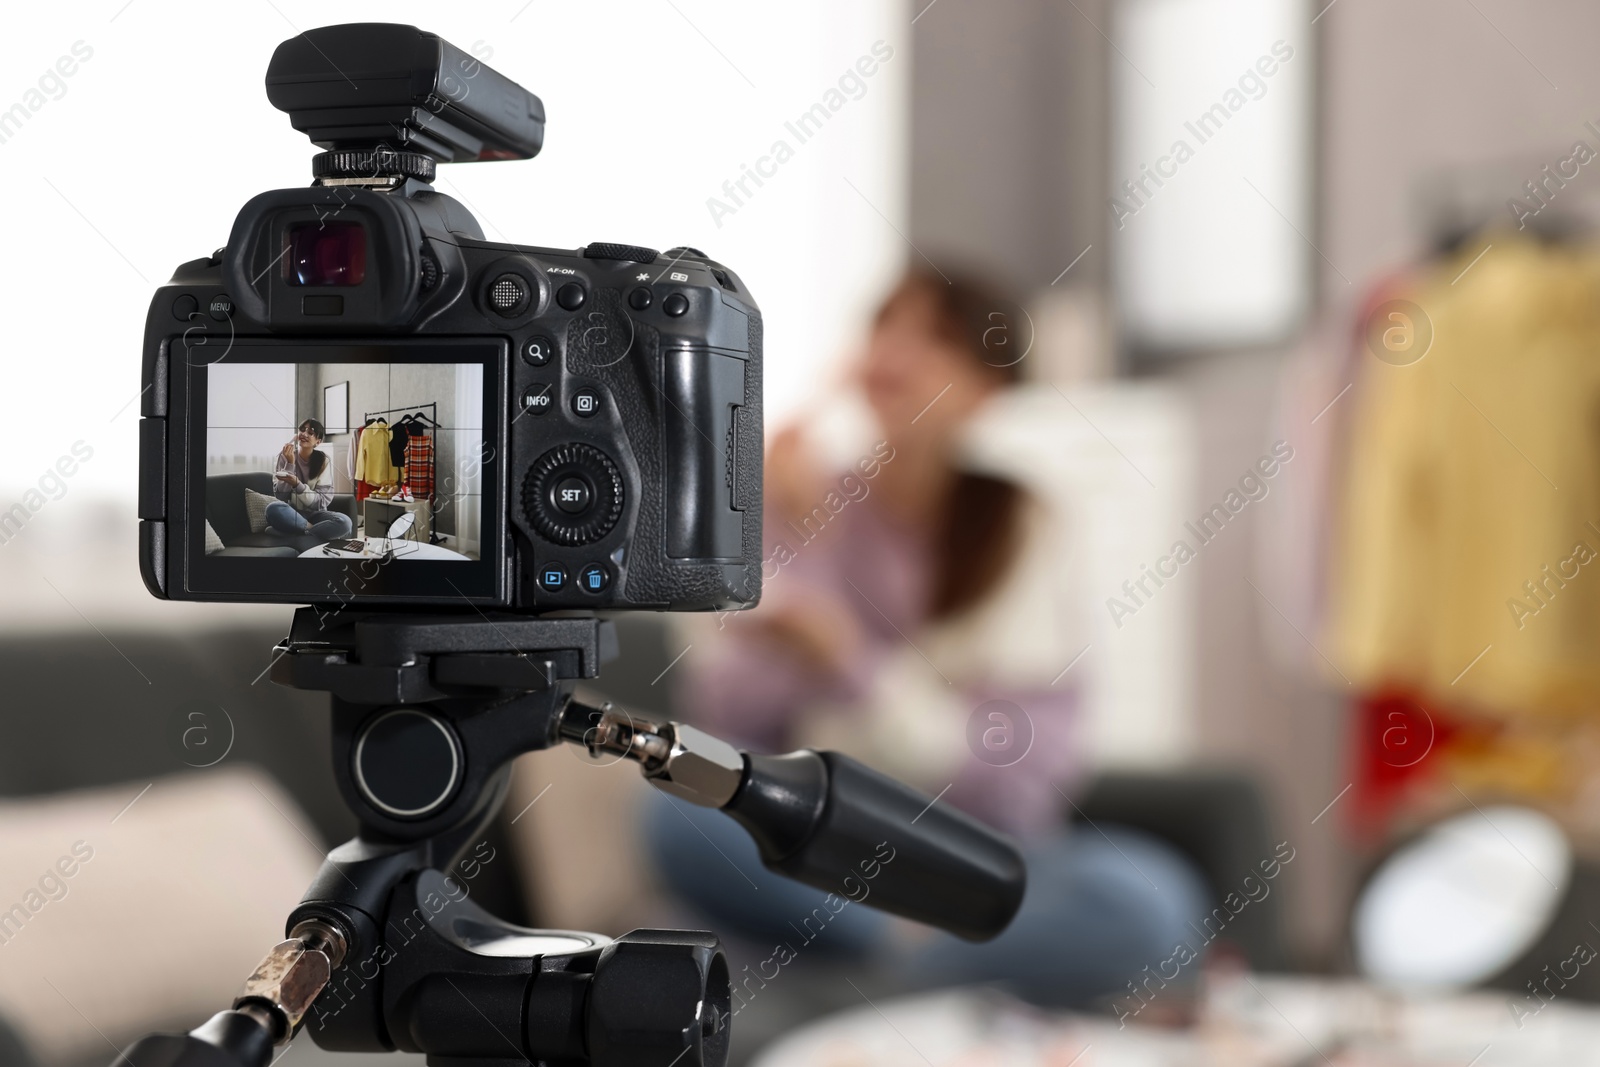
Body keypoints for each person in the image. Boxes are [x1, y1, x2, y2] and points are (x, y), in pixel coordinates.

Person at [645, 265, 1208, 1008]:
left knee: (1151, 902)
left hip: (970, 859)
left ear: (986, 391)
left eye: (932, 337)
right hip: (820, 852)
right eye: (885, 326)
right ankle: (903, 965)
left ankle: (864, 977)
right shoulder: (807, 497)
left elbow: (1011, 783)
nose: (895, 352)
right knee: (672, 815)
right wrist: (792, 533)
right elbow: (726, 720)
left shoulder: (1021, 524)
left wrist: (847, 662)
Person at [265, 418, 352, 542]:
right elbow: (281, 496)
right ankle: (311, 530)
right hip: (292, 513)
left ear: (318, 441)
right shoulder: (284, 457)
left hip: (317, 514)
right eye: (302, 430)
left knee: (345, 523)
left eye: (310, 433)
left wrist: (298, 485)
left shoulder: (324, 461)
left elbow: (321, 502)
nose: (304, 434)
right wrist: (290, 463)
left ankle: (296, 532)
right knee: (273, 508)